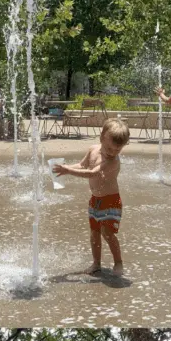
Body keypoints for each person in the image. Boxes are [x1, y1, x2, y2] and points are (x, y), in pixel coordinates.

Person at [54, 118, 130, 276]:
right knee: (94, 233)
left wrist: (67, 171)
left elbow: (92, 173)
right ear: (101, 137)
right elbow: (82, 166)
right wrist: (65, 168)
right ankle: (96, 264)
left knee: (107, 233)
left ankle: (118, 262)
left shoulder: (112, 162)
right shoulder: (93, 150)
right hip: (95, 200)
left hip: (111, 201)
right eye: (110, 148)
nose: (113, 153)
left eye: (118, 150)